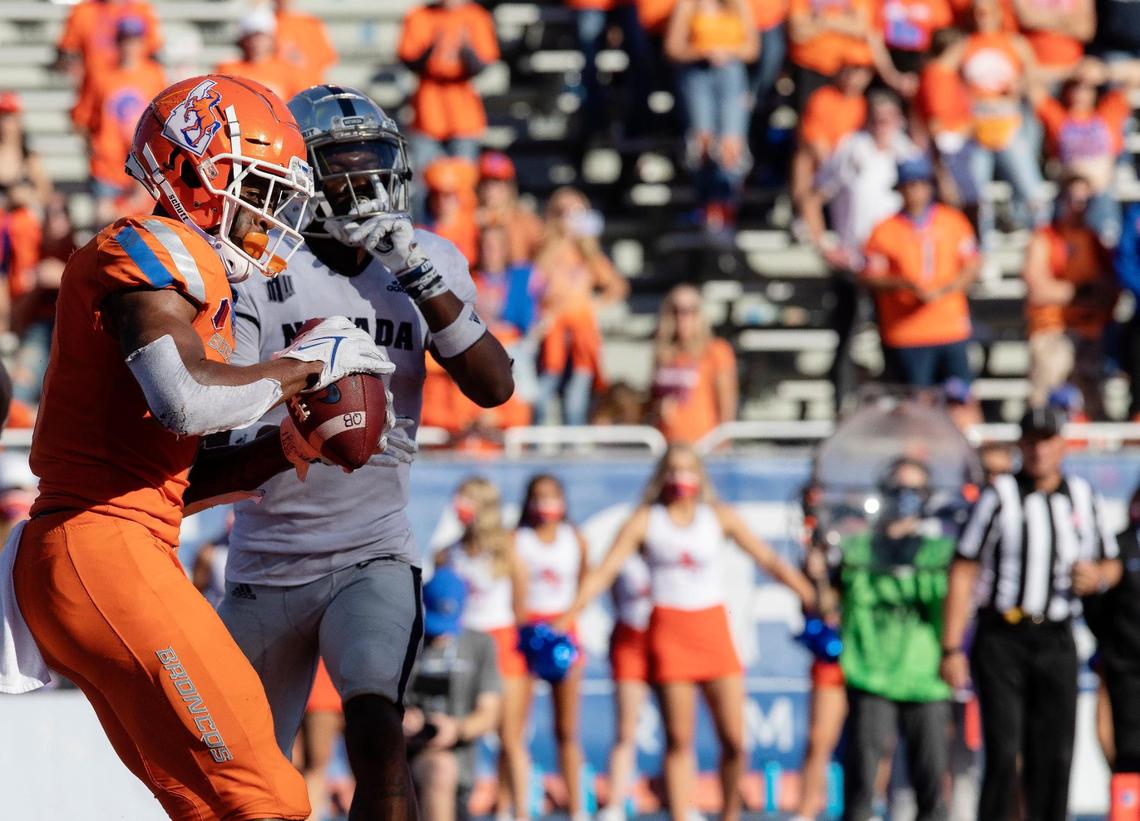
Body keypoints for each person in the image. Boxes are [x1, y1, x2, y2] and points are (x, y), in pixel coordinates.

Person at [1, 75, 394, 819]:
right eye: (261, 188)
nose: (272, 215)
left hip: (98, 547)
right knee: (267, 794)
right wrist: (309, 367)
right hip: (102, 551)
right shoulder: (155, 247)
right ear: (191, 169)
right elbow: (183, 398)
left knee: (211, 806)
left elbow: (168, 475)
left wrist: (283, 446)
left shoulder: (179, 270)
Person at [217, 85, 514, 821]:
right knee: (232, 770)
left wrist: (415, 270)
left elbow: (493, 384)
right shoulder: (256, 260)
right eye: (343, 168)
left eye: (375, 165)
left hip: (372, 551)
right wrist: (306, 420)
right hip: (268, 556)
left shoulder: (428, 256)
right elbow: (223, 416)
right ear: (303, 178)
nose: (366, 186)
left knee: (378, 726)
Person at [560, 445, 816, 821]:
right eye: (673, 470)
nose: (681, 478)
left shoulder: (718, 517)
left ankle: (730, 813)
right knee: (679, 739)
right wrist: (570, 613)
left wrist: (808, 594)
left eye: (688, 470)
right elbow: (604, 571)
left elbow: (767, 559)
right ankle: (682, 813)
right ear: (662, 476)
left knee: (734, 740)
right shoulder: (646, 520)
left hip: (712, 627)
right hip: (669, 630)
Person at [941, 405, 1122, 821]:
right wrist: (951, 647)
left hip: (1056, 637)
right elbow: (964, 567)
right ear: (1021, 445)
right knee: (1004, 754)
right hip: (1003, 636)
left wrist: (1096, 576)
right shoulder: (999, 496)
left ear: (1062, 444)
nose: (1039, 450)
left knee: (1055, 755)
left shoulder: (1082, 497)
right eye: (1031, 441)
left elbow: (1111, 563)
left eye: (1047, 440)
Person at [838, 457, 955, 821]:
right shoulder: (855, 549)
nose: (905, 497)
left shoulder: (942, 551)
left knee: (932, 794)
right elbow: (826, 603)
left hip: (926, 679)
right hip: (871, 674)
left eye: (914, 489)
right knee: (861, 791)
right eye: (897, 488)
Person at [800, 90, 918, 410]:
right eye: (877, 118)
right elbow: (814, 195)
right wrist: (824, 243)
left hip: (891, 266)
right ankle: (840, 408)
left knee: (894, 340)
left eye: (889, 119)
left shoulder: (907, 153)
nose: (883, 125)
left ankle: (895, 408)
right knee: (846, 336)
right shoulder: (852, 149)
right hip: (854, 261)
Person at [434, 478, 529, 819]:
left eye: (467, 499)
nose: (460, 505)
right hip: (463, 647)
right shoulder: (448, 553)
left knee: (511, 738)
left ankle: (516, 811)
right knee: (462, 728)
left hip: (502, 644)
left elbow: (520, 606)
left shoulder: (508, 553)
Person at [501, 474, 590, 821]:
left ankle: (577, 807)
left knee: (567, 730)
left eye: (552, 496)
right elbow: (512, 590)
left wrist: (565, 622)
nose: (545, 504)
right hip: (525, 635)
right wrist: (529, 626)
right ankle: (508, 806)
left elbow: (584, 586)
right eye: (538, 497)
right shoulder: (517, 540)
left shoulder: (574, 540)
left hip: (564, 634)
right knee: (513, 730)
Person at [861, 155, 981, 388]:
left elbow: (972, 265)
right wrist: (905, 285)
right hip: (906, 331)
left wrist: (944, 289)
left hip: (950, 326)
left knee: (961, 399)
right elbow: (870, 275)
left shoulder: (952, 221)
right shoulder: (885, 229)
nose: (915, 191)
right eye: (909, 184)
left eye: (920, 183)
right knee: (915, 405)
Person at [405, 567, 504, 821]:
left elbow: (490, 714)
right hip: (406, 754)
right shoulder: (403, 642)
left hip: (457, 759)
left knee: (442, 766)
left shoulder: (480, 645)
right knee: (438, 767)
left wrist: (455, 729)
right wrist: (400, 719)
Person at [945, 0, 1047, 242]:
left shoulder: (1014, 43)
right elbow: (940, 74)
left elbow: (1034, 78)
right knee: (975, 192)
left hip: (1008, 119)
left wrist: (1019, 86)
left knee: (1031, 187)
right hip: (977, 123)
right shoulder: (965, 44)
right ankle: (982, 248)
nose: (983, 17)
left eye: (988, 12)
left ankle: (1040, 241)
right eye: (978, 12)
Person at [1021, 174, 1117, 416]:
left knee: (1094, 398)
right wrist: (1081, 291)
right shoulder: (1045, 238)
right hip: (1051, 328)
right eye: (1073, 199)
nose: (1078, 207)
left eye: (1085, 200)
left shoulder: (1095, 241)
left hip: (1089, 331)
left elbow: (1108, 290)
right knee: (1047, 391)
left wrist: (1067, 292)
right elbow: (1038, 290)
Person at [532, 187, 628, 425]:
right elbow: (533, 286)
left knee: (576, 400)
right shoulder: (545, 252)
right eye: (562, 211)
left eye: (576, 211)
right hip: (551, 334)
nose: (568, 217)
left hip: (580, 337)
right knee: (542, 396)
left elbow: (617, 286)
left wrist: (592, 306)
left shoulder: (589, 256)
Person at [397, 0, 500, 216]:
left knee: (463, 186)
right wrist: (435, 44)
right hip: (428, 112)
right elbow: (409, 59)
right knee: (425, 187)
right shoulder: (420, 15)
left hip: (463, 112)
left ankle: (463, 236)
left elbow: (483, 63)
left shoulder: (475, 15)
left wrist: (465, 50)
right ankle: (425, 233)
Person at [664, 0, 759, 230]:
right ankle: (704, 203)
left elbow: (752, 49)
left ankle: (725, 206)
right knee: (702, 143)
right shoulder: (688, 5)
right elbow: (673, 47)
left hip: (731, 74)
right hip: (698, 74)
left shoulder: (739, 5)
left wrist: (728, 50)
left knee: (731, 144)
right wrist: (703, 50)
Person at [71, 15, 167, 225]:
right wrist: (92, 148)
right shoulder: (101, 75)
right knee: (105, 226)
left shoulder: (154, 74)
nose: (129, 45)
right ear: (117, 41)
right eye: (124, 39)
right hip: (107, 166)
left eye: (133, 39)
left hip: (143, 166)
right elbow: (82, 117)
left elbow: (162, 119)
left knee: (143, 228)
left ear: (142, 42)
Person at [1084, 485, 1140, 814]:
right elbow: (1095, 603)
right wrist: (1111, 647)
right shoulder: (1117, 548)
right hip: (1125, 667)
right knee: (1128, 754)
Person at [597, 552, 653, 821]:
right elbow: (612, 594)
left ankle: (683, 803)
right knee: (626, 729)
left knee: (680, 733)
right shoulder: (625, 560)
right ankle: (614, 805)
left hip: (670, 641)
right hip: (632, 641)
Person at [648, 284, 737, 444]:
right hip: (668, 446)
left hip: (703, 445)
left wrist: (723, 443)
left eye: (689, 310)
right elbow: (652, 402)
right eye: (675, 310)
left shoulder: (716, 351)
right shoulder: (663, 355)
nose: (682, 317)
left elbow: (726, 406)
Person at [786, 0, 875, 109]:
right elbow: (798, 34)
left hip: (845, 70)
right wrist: (843, 21)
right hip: (810, 67)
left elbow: (860, 27)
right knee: (810, 113)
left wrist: (822, 21)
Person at [215, 8, 303, 104]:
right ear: (243, 40)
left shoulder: (287, 69)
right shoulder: (227, 70)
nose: (255, 42)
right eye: (251, 37)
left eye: (260, 36)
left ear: (271, 39)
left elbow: (297, 107)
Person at [476, 151, 544, 267]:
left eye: (497, 182)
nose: (491, 189)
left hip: (518, 281)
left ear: (509, 187)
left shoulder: (526, 221)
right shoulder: (469, 220)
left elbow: (542, 256)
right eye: (486, 182)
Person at [1010, 0, 1095, 84]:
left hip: (1071, 72)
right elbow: (1026, 18)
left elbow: (1085, 31)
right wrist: (1068, 20)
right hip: (1031, 68)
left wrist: (1041, 18)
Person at [0, 91, 52, 205]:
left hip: (21, 220)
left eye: (8, 117)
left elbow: (47, 195)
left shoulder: (30, 158)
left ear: (19, 120)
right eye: (1, 117)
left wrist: (26, 196)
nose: (4, 123)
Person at [273, 0, 337, 89]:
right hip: (280, 93)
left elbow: (325, 60)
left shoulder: (311, 23)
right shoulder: (267, 23)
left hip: (310, 91)